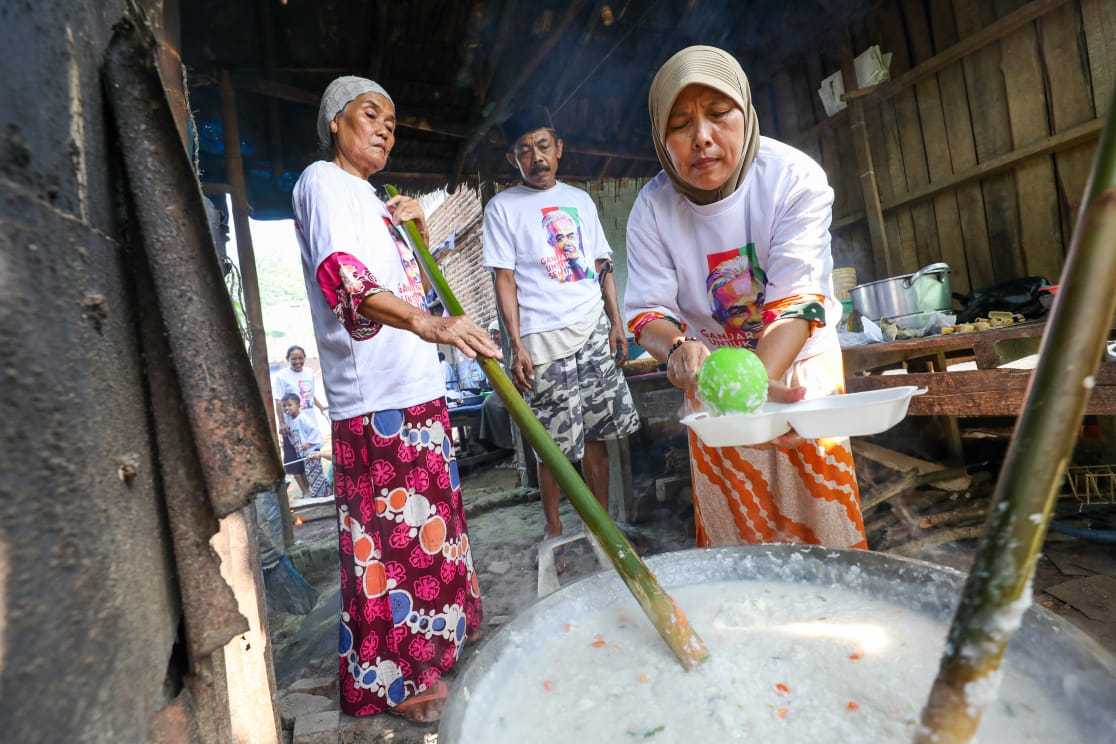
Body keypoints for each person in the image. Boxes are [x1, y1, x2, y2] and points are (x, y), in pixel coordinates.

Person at [292, 75, 501, 722]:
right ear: (335, 121)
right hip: (376, 398)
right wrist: (432, 325)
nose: (385, 127)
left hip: (416, 387)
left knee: (431, 532)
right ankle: (401, 677)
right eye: (369, 113)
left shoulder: (376, 199)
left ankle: (439, 649)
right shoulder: (322, 182)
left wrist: (414, 230)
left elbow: (412, 287)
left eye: (391, 119)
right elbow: (343, 278)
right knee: (393, 546)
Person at [624, 46, 866, 549]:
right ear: (660, 138)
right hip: (713, 378)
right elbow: (646, 312)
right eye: (680, 124)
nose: (703, 138)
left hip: (798, 365)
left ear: (746, 114)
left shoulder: (792, 179)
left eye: (718, 115)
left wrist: (757, 387)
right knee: (738, 533)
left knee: (824, 523)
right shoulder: (652, 209)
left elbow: (800, 300)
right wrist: (676, 349)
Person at [483, 106, 640, 539]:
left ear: (560, 148)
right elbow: (505, 278)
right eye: (525, 150)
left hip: (591, 329)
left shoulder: (580, 201)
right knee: (551, 448)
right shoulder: (503, 208)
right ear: (513, 158)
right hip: (543, 340)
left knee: (598, 435)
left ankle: (601, 529)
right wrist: (517, 344)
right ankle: (554, 533)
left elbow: (601, 264)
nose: (536, 158)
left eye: (544, 146)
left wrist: (616, 322)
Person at [272, 345, 327, 497]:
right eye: (293, 359)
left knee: (312, 457)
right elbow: (278, 401)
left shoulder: (309, 372)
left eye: (300, 358)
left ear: (305, 358)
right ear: (287, 359)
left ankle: (317, 490)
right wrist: (282, 422)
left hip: (309, 422)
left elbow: (310, 395)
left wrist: (321, 407)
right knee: (294, 458)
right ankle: (305, 491)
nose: (297, 361)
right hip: (291, 425)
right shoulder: (281, 376)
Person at [281, 393, 330, 500]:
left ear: (298, 405)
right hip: (304, 453)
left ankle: (323, 493)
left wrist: (308, 444)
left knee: (315, 473)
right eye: (284, 406)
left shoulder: (303, 418)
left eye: (290, 405)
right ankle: (321, 492)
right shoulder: (291, 420)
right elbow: (296, 434)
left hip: (312, 452)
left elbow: (315, 431)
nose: (287, 408)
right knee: (310, 474)